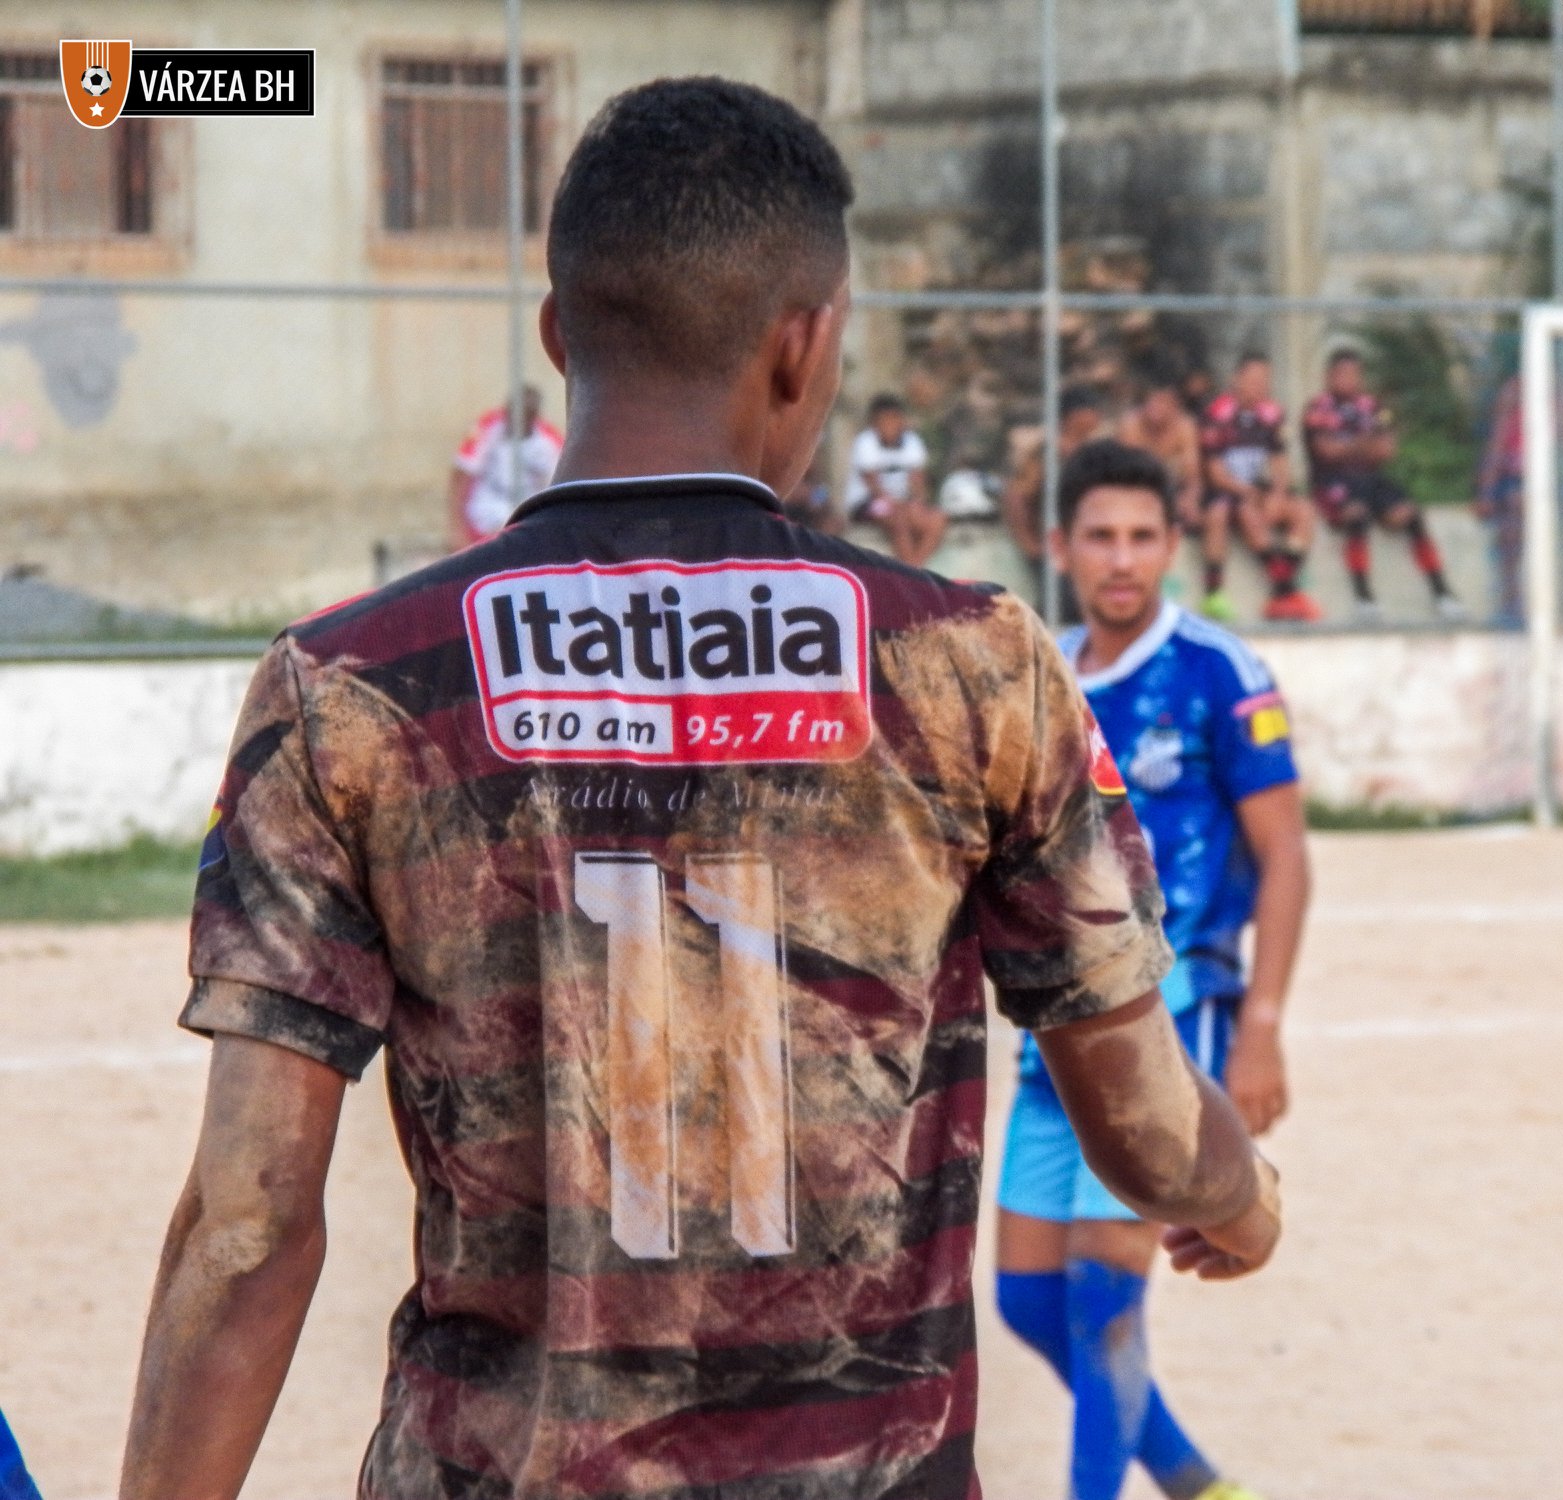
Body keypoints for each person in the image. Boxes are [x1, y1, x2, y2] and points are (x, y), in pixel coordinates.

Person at [119, 78, 1279, 1500]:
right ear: (808, 344)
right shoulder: (970, 665)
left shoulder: (351, 686)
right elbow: (1146, 1126)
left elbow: (245, 1226)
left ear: (558, 337)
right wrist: (1240, 1198)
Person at [998, 439, 1310, 1500]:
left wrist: (1259, 1024)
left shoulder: (1220, 672)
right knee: (1022, 1297)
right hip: (1050, 1020)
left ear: (1172, 546)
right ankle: (1197, 1485)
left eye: (1140, 537)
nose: (1120, 559)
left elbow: (1284, 857)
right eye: (1099, 537)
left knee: (1102, 1299)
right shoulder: (1038, 677)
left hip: (1167, 1018)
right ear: (1060, 547)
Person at [1304, 349, 1462, 622]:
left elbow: (1387, 450)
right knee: (1356, 516)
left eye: (1354, 374)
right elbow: (1327, 452)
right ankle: (1364, 597)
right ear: (1329, 377)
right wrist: (1364, 445)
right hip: (1333, 481)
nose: (1349, 380)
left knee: (1410, 515)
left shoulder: (1372, 407)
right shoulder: (1318, 409)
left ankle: (1442, 592)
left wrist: (1350, 446)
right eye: (1342, 374)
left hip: (1371, 479)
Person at [1199, 354, 1317, 624]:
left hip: (1257, 487)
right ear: (1236, 380)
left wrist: (1277, 492)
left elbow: (1279, 460)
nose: (1259, 386)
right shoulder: (1217, 413)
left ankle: (1282, 591)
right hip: (1228, 488)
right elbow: (1215, 473)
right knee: (1245, 513)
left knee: (1304, 510)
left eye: (1264, 380)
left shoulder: (1272, 413)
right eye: (1252, 379)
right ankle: (1220, 594)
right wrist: (1246, 492)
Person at [1474, 362, 1563, 625]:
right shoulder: (1513, 391)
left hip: (1556, 480)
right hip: (1516, 478)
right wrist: (1485, 491)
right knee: (1516, 503)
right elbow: (1496, 444)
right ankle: (1511, 593)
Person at [1003, 385, 1109, 565]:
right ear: (1066, 420)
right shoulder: (1044, 456)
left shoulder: (1097, 453)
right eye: (1079, 428)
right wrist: (1032, 547)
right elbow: (1016, 497)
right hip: (1053, 551)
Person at [449, 384, 564, 545]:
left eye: (524, 414)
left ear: (534, 416)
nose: (515, 418)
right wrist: (456, 529)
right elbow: (462, 474)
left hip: (528, 504)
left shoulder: (549, 441)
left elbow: (560, 486)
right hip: (489, 501)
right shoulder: (488, 426)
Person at [845, 391, 946, 567]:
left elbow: (918, 481)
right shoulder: (865, 442)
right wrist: (904, 507)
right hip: (868, 504)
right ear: (875, 423)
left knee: (937, 520)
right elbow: (874, 487)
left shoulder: (912, 442)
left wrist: (917, 503)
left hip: (902, 503)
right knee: (898, 520)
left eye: (894, 419)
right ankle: (911, 571)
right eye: (884, 421)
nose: (890, 425)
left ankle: (915, 567)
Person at [1116, 360, 1204, 528]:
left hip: (1173, 493)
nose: (1154, 407)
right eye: (1151, 400)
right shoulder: (1131, 425)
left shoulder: (1185, 427)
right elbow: (1127, 477)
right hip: (1136, 493)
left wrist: (1189, 499)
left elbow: (1193, 477)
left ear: (1175, 405)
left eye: (1162, 401)